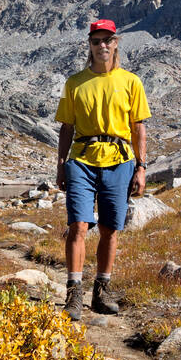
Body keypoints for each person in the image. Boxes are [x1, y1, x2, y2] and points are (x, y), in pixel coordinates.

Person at [54, 18, 150, 321]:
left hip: (120, 161)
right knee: (78, 226)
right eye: (96, 41)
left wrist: (141, 167)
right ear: (90, 45)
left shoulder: (131, 81)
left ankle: (101, 291)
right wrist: (60, 165)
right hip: (82, 160)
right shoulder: (74, 82)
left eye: (107, 40)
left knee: (110, 228)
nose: (102, 46)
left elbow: (139, 129)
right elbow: (66, 128)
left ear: (116, 43)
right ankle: (74, 293)